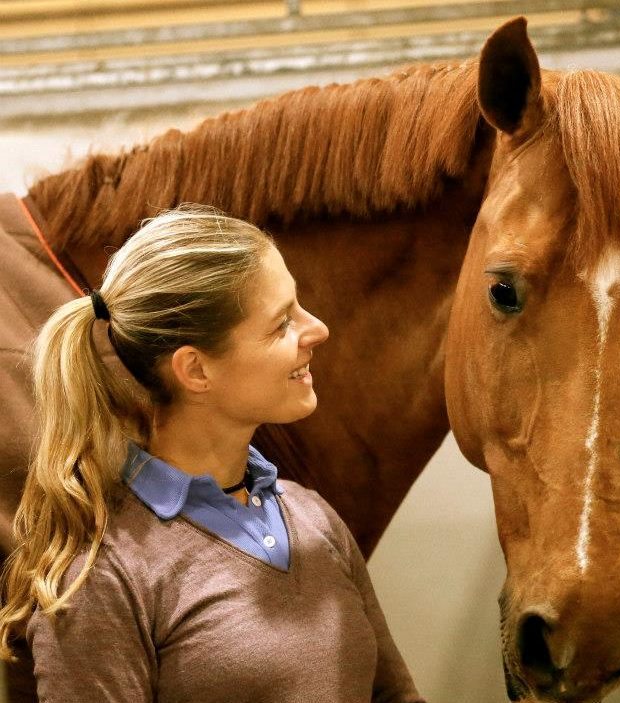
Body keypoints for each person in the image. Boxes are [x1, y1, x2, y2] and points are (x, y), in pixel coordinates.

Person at [0, 206, 425, 703]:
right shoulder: (104, 577)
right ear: (196, 370)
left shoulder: (313, 517)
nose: (317, 329)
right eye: (281, 323)